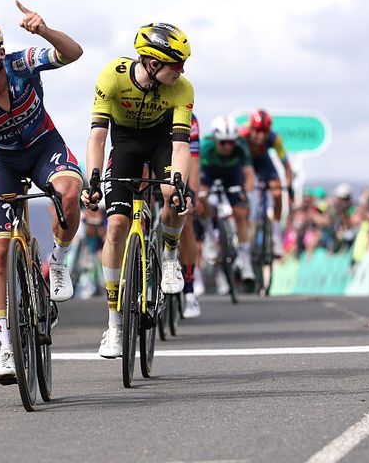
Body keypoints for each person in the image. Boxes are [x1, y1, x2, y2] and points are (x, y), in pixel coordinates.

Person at [0, 2, 83, 384]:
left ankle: (56, 261)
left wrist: (45, 30)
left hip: (44, 145)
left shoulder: (22, 63)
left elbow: (73, 54)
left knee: (69, 196)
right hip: (0, 161)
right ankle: (7, 348)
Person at [81, 22, 194, 359]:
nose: (183, 70)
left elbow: (180, 147)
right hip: (125, 143)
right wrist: (93, 177)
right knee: (115, 225)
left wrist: (178, 184)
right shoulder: (112, 76)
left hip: (162, 144)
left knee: (172, 199)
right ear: (153, 63)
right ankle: (114, 326)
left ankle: (170, 255)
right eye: (177, 63)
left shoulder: (182, 88)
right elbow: (98, 136)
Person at [199, 115, 256, 292]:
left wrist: (245, 192)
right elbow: (196, 175)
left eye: (231, 142)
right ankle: (209, 236)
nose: (227, 146)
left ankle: (246, 263)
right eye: (223, 142)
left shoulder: (241, 145)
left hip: (232, 174)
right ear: (215, 139)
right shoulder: (205, 146)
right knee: (201, 199)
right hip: (209, 172)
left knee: (240, 212)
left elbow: (249, 175)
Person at [239, 109, 294, 253]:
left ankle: (275, 235)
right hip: (245, 162)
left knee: (276, 192)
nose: (260, 135)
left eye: (264, 131)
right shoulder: (241, 134)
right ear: (250, 127)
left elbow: (287, 167)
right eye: (257, 130)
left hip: (263, 162)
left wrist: (288, 186)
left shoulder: (274, 138)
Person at [181, 113, 204, 317]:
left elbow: (194, 162)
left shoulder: (191, 119)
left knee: (186, 219)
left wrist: (193, 195)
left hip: (181, 165)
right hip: (150, 161)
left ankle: (189, 290)